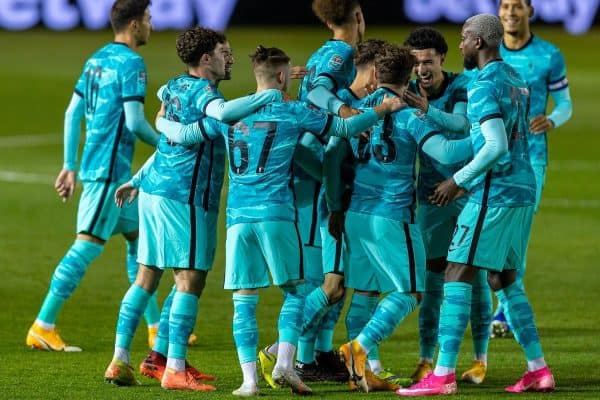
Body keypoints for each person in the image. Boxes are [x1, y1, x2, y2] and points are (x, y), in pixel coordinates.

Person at [156, 45, 403, 396]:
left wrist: (160, 119)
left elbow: (184, 135)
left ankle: (249, 382)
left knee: (244, 299)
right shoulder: (294, 111)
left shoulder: (228, 116)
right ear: (284, 76)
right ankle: (285, 363)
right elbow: (347, 128)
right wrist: (382, 108)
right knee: (297, 292)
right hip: (277, 215)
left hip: (238, 220)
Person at [102, 27, 283, 391]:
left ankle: (124, 359)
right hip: (186, 198)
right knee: (190, 280)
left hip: (153, 191)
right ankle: (175, 369)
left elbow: (171, 141)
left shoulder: (173, 87)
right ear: (205, 59)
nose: (229, 58)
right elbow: (224, 113)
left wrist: (137, 180)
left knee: (147, 277)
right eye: (223, 51)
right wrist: (267, 94)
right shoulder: (204, 93)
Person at [398, 14, 555, 396]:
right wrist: (428, 109)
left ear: (477, 41)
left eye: (464, 40)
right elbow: (488, 133)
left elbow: (495, 145)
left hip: (494, 191)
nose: (462, 47)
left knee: (456, 270)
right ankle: (538, 369)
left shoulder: (483, 83)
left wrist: (457, 181)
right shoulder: (515, 79)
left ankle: (444, 374)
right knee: (503, 278)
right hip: (523, 189)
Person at [337, 43, 474, 394]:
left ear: (376, 75)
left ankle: (360, 375)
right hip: (391, 215)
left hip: (356, 214)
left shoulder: (358, 111)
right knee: (412, 291)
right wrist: (484, 138)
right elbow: (444, 151)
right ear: (410, 74)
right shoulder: (410, 115)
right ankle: (359, 348)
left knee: (365, 291)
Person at [26, 0, 161, 352]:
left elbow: (72, 113)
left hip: (105, 170)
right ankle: (43, 324)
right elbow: (134, 122)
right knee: (85, 246)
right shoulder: (132, 63)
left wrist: (70, 165)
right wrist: (168, 144)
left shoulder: (96, 59)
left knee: (140, 242)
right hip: (109, 173)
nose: (151, 24)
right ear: (133, 25)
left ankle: (155, 329)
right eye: (147, 19)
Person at [260, 0, 366, 385]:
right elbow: (320, 91)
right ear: (357, 16)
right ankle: (286, 352)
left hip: (321, 177)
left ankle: (317, 353)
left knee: (336, 276)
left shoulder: (325, 51)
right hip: (316, 180)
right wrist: (342, 110)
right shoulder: (340, 52)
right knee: (329, 281)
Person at [402, 27, 492, 385]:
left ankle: (479, 359)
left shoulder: (461, 87)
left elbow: (461, 123)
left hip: (467, 191)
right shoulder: (406, 91)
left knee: (475, 274)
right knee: (433, 279)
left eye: (427, 61)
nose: (421, 69)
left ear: (442, 58)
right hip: (431, 197)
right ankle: (427, 358)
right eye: (415, 63)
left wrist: (427, 110)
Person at [491, 0, 573, 338]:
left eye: (518, 6)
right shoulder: (486, 51)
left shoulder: (549, 55)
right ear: (499, 13)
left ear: (530, 12)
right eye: (505, 5)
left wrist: (552, 119)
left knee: (516, 238)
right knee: (494, 239)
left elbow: (565, 103)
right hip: (492, 158)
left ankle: (505, 312)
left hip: (531, 159)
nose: (511, 12)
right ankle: (504, 308)